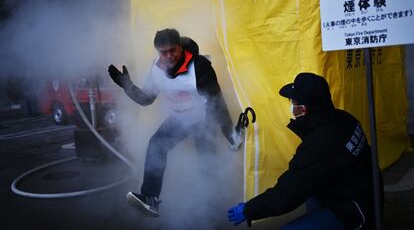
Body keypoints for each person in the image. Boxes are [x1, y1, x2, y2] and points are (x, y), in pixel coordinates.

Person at [108, 28, 244, 217]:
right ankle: (150, 198)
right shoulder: (156, 68)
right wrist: (127, 85)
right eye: (164, 52)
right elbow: (147, 99)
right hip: (179, 119)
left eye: (173, 50)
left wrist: (230, 134)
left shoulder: (199, 65)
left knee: (207, 165)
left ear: (180, 47)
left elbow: (217, 101)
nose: (169, 55)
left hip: (203, 120)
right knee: (156, 145)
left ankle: (215, 208)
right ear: (158, 52)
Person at [227, 72, 382, 229]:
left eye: (293, 102)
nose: (291, 106)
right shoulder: (343, 118)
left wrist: (249, 210)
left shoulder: (322, 142)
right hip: (365, 192)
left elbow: (288, 193)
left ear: (303, 109)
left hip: (355, 209)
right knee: (310, 193)